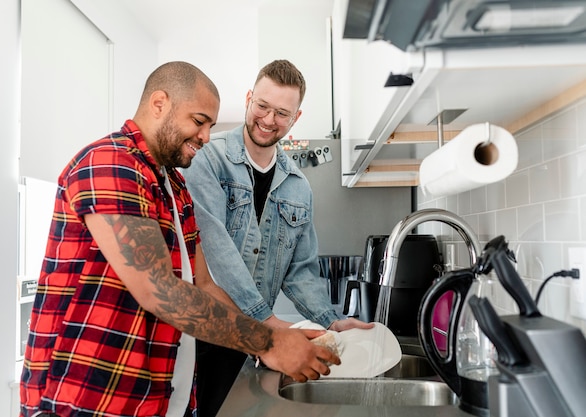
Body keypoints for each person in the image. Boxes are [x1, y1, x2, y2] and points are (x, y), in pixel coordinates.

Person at [19, 61, 340, 417]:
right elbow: (158, 288)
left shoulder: (174, 186)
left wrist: (276, 335)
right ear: (159, 104)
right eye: (199, 121)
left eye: (210, 126)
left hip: (155, 395)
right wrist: (267, 342)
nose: (205, 136)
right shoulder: (110, 164)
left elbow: (203, 284)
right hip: (88, 394)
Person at [181, 59, 373, 417]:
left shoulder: (299, 187)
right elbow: (214, 248)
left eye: (282, 113)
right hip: (204, 336)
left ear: (296, 117)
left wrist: (331, 321)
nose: (269, 120)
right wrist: (267, 322)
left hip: (255, 342)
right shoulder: (208, 158)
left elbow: (300, 271)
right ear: (249, 99)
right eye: (263, 106)